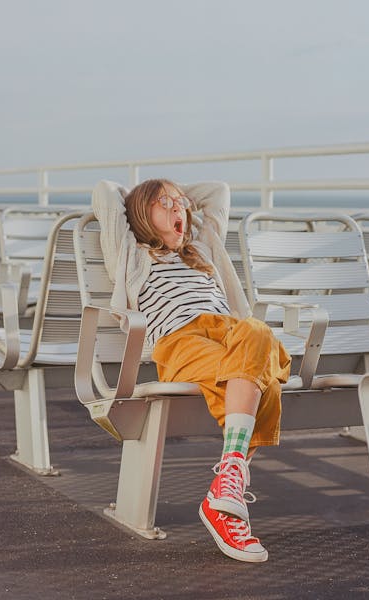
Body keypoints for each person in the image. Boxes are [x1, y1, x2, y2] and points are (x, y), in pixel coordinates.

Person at [91, 178, 290, 563]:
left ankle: (225, 486)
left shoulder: (202, 247)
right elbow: (104, 193)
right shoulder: (131, 253)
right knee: (263, 381)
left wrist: (172, 201)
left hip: (229, 334)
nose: (177, 207)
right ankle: (228, 489)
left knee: (257, 333)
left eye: (181, 202)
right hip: (180, 340)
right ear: (138, 215)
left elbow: (219, 191)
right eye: (163, 203)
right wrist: (144, 196)